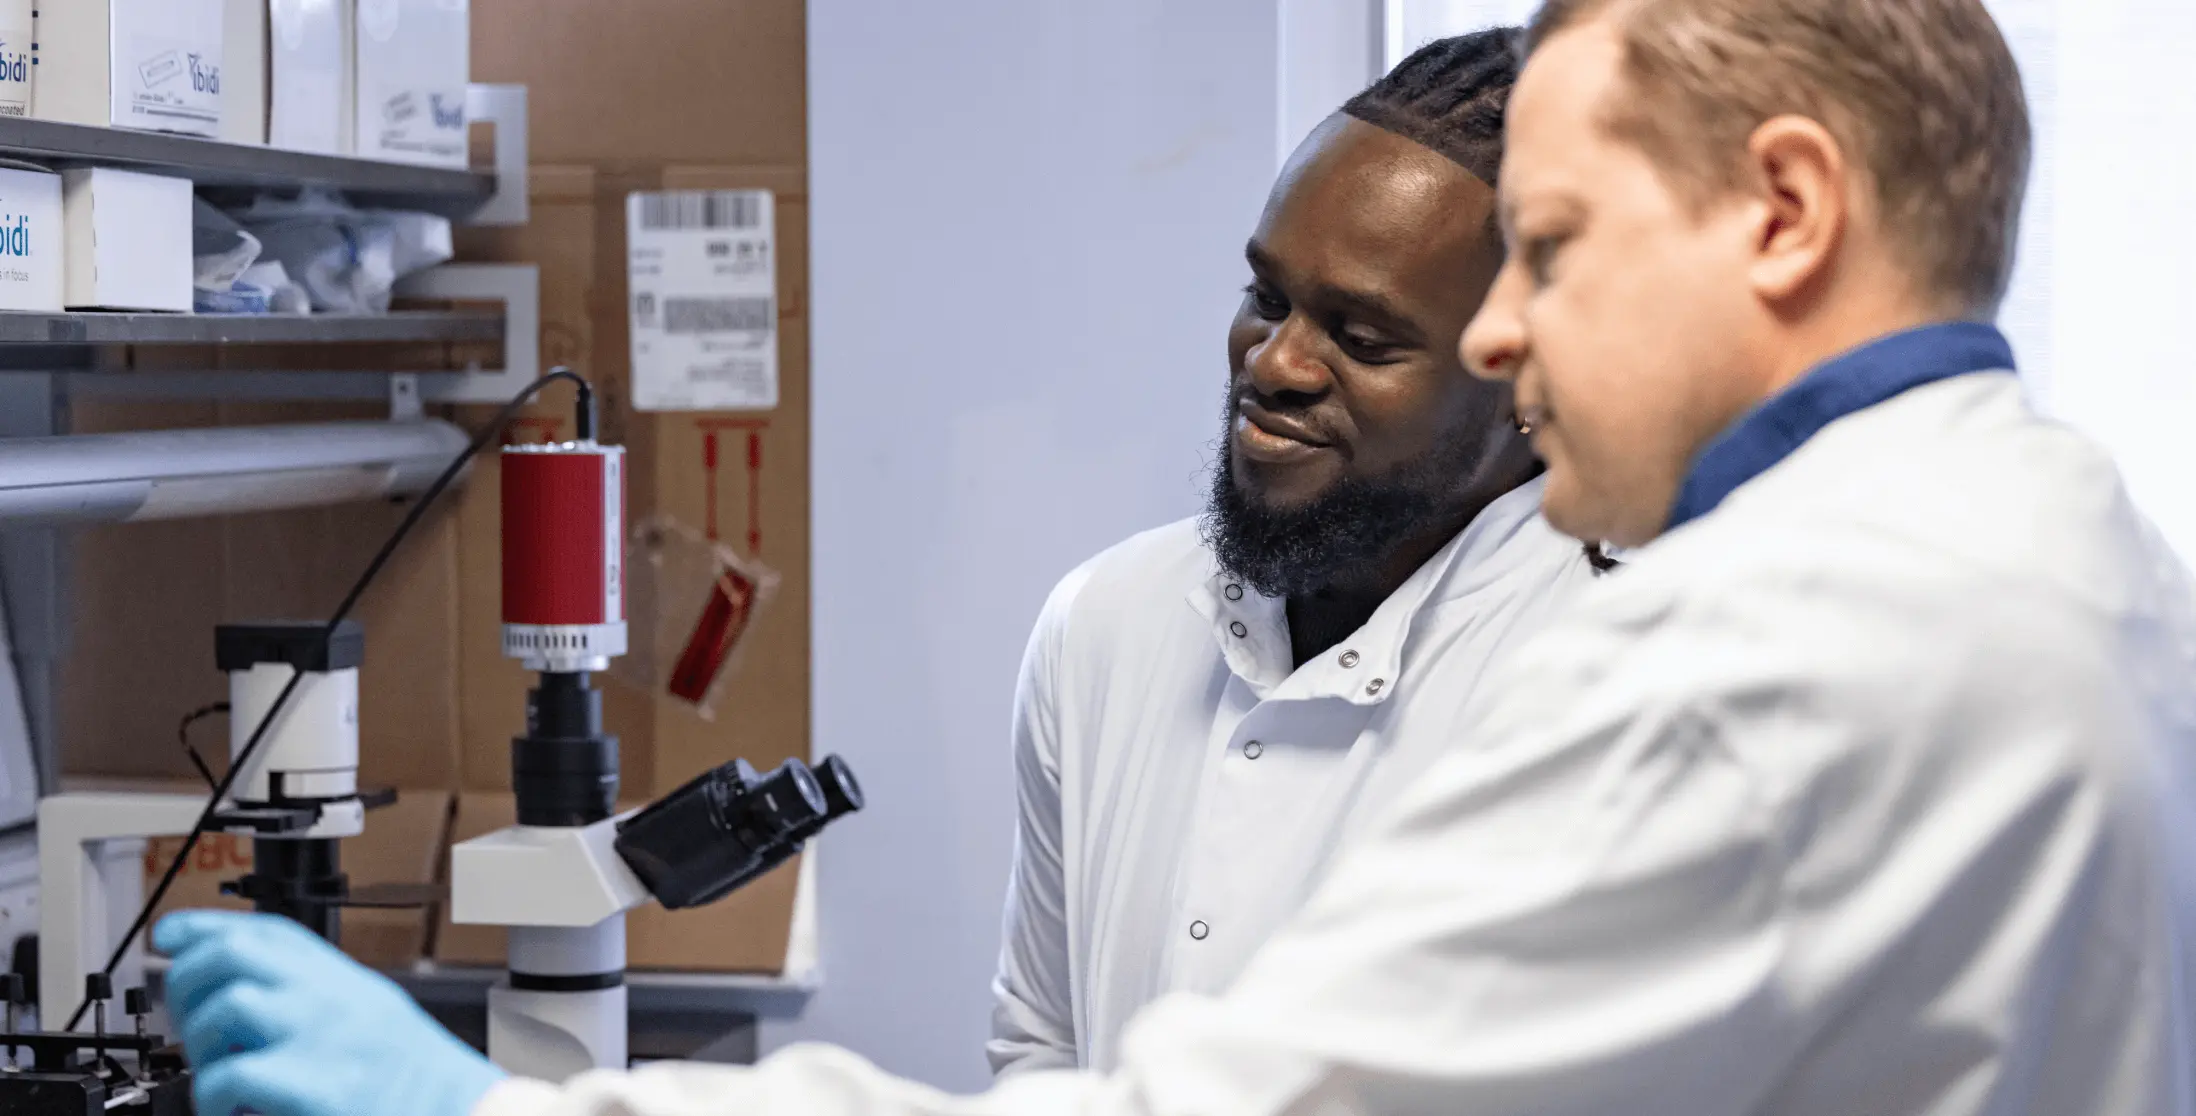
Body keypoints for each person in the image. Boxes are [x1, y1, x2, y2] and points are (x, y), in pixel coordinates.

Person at [155, 0, 2196, 1112]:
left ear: (1786, 214)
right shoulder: (2060, 557)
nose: (1507, 332)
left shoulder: (1786, 658)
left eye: (1556, 253)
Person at [990, 28, 1601, 1077]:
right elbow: (1041, 1043)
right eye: (1267, 299)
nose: (1273, 364)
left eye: (1363, 339)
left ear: (1526, 377)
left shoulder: (1607, 670)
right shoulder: (1106, 621)